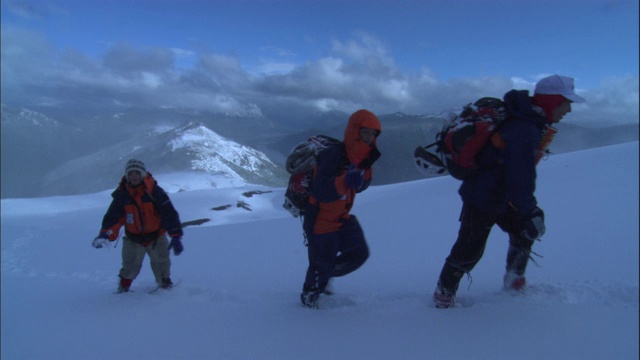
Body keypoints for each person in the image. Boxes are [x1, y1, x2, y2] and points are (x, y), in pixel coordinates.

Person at [433, 75, 586, 308]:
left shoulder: (528, 120)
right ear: (553, 101)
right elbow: (520, 178)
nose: (568, 110)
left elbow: (515, 176)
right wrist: (529, 210)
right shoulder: (524, 127)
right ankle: (443, 294)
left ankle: (514, 281)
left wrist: (528, 212)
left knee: (524, 231)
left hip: (500, 195)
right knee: (469, 250)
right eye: (566, 103)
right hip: (482, 196)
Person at [300, 109, 382, 308]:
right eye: (366, 132)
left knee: (359, 253)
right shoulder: (333, 155)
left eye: (373, 133)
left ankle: (325, 273)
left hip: (341, 217)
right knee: (320, 267)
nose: (369, 137)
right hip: (320, 221)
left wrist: (361, 178)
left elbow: (360, 186)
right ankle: (308, 301)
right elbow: (320, 191)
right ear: (355, 131)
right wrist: (345, 181)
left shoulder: (363, 157)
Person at [92, 159, 184, 293]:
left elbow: (168, 213)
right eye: (131, 173)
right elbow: (114, 218)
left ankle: (165, 287)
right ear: (127, 176)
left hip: (156, 237)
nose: (134, 176)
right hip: (133, 239)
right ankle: (123, 289)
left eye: (137, 173)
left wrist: (175, 236)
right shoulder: (122, 195)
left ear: (142, 174)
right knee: (130, 266)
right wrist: (105, 234)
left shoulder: (155, 192)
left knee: (162, 264)